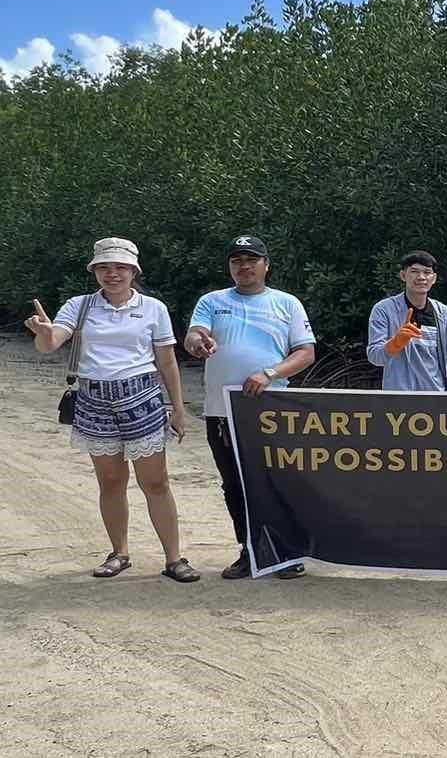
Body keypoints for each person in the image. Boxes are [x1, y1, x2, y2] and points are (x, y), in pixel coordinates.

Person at [25, 238, 198, 583]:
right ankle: (119, 552)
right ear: (95, 271)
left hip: (142, 397)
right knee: (111, 481)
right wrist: (43, 333)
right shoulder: (80, 305)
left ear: (134, 271)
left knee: (156, 482)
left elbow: (166, 360)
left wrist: (178, 409)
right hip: (94, 399)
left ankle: (174, 558)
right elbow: (50, 344)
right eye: (104, 267)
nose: (112, 274)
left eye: (120, 267)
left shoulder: (154, 308)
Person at [185, 235, 317, 581]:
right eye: (237, 260)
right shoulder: (212, 301)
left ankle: (286, 553)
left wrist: (269, 373)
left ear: (266, 265)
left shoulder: (287, 304)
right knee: (235, 484)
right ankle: (250, 551)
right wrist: (199, 343)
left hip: (270, 409)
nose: (244, 266)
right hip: (221, 409)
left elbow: (305, 353)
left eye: (251, 259)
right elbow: (193, 335)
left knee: (279, 480)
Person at [364, 250, 447, 391]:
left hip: (436, 397)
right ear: (403, 275)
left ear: (434, 278)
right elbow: (374, 356)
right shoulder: (384, 310)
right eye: (414, 271)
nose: (421, 277)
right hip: (398, 398)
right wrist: (396, 343)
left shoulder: (443, 314)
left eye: (427, 272)